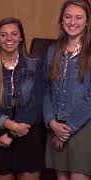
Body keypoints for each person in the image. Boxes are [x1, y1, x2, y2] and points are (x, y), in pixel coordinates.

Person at [0, 17, 44, 180]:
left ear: (21, 37)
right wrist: (10, 126)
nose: (9, 39)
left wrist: (12, 134)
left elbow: (36, 106)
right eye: (4, 35)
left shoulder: (35, 66)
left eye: (14, 34)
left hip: (28, 133)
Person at [43, 0, 91, 179]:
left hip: (83, 126)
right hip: (56, 125)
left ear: (87, 21)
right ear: (61, 20)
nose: (73, 22)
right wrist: (52, 123)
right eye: (68, 17)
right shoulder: (52, 51)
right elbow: (46, 88)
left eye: (79, 17)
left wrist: (68, 128)